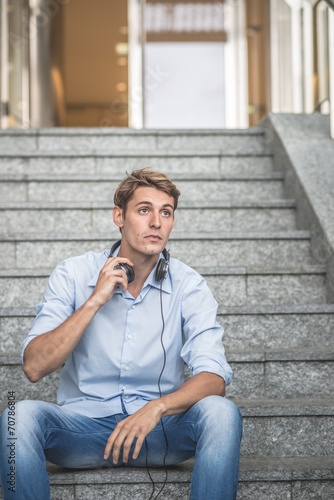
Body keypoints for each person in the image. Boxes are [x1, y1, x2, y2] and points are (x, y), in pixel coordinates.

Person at [0, 168, 242, 500]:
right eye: (144, 210)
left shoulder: (189, 285)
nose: (156, 221)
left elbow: (214, 378)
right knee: (15, 417)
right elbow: (34, 367)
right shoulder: (73, 274)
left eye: (166, 212)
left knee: (221, 412)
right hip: (83, 431)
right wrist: (95, 299)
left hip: (157, 433)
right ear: (119, 216)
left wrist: (156, 408)